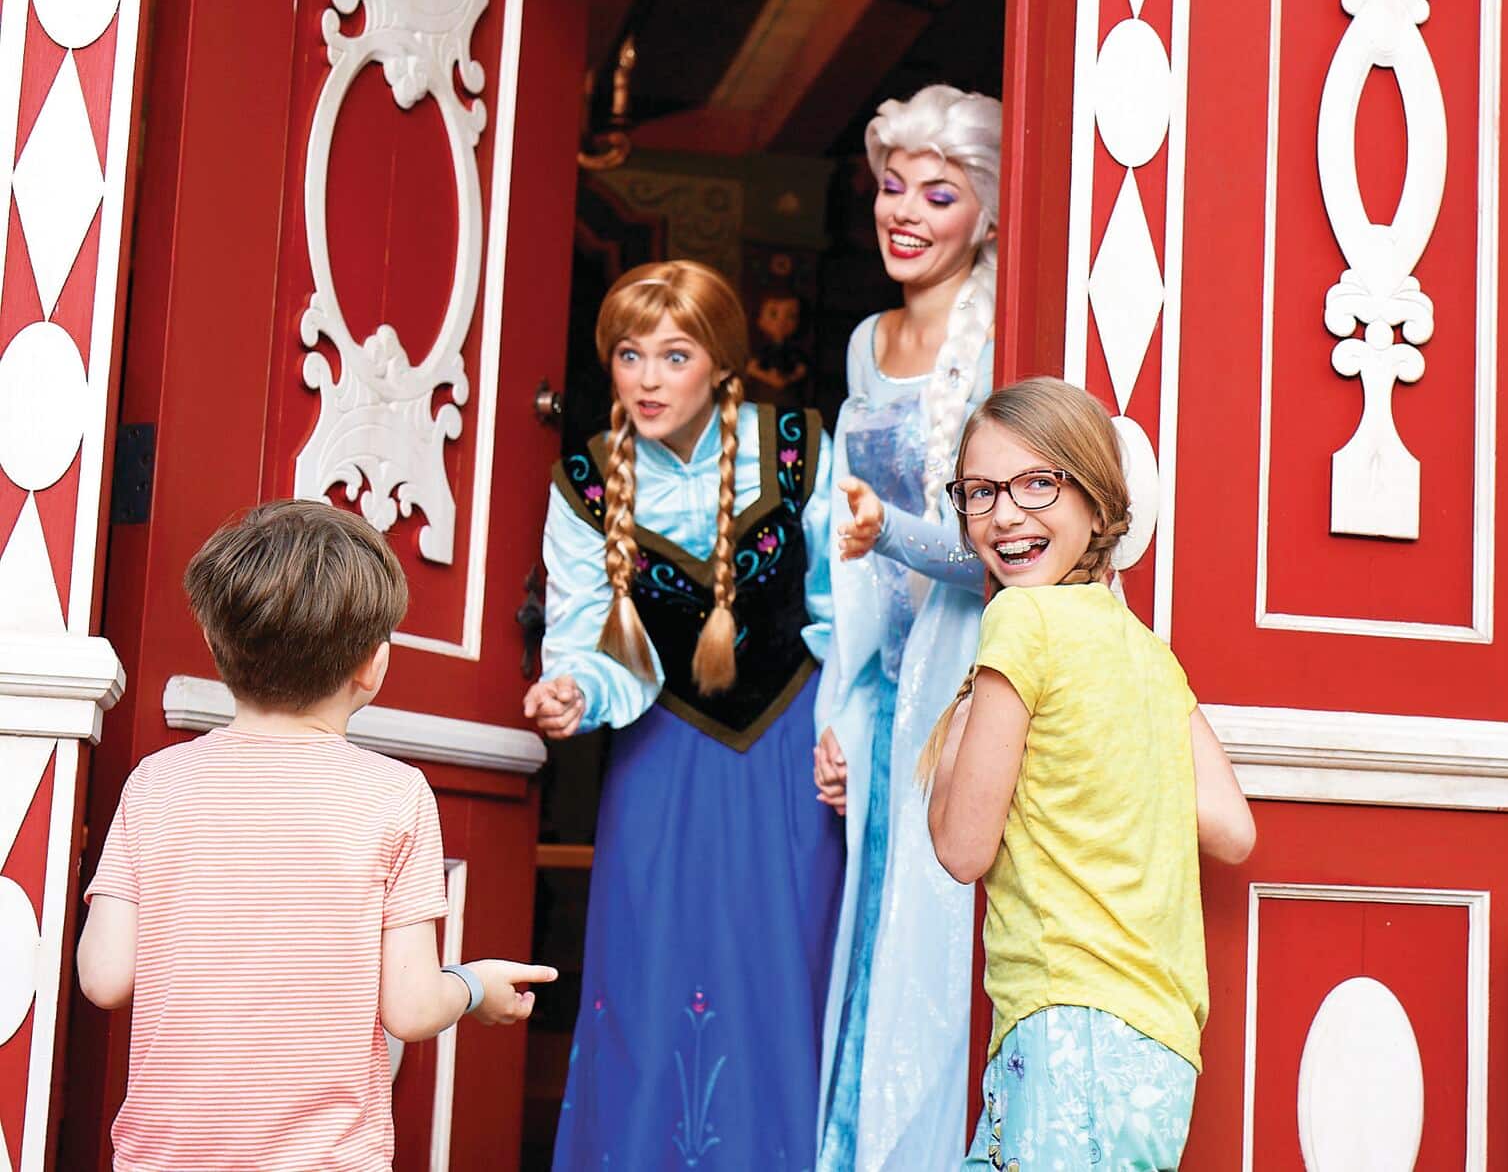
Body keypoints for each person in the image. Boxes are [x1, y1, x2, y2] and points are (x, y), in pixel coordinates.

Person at [75, 500, 551, 1171]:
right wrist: (473, 987)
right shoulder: (394, 795)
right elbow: (413, 1008)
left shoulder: (157, 784)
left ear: (216, 646)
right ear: (373, 666)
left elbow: (104, 977)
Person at [524, 260, 841, 1170]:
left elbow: (845, 618)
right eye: (630, 356)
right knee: (651, 979)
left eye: (675, 354)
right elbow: (589, 641)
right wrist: (572, 693)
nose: (649, 378)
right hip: (661, 767)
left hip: (790, 758)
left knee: (782, 977)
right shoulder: (585, 482)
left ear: (720, 364)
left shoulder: (800, 447)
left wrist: (850, 736)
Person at [921, 378, 1258, 1171]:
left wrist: (967, 706)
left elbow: (963, 847)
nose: (1005, 514)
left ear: (1099, 505)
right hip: (1159, 1043)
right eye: (980, 492)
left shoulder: (1021, 621)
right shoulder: (1144, 651)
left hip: (1065, 1026)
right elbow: (1233, 829)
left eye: (1039, 484)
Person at [809, 83, 1000, 1170]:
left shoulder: (997, 337)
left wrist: (892, 530)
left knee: (939, 939)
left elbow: (994, 549)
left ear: (983, 211)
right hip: (881, 682)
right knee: (872, 942)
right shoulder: (864, 344)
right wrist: (837, 713)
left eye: (939, 191)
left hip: (965, 674)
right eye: (893, 186)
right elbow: (849, 558)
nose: (908, 210)